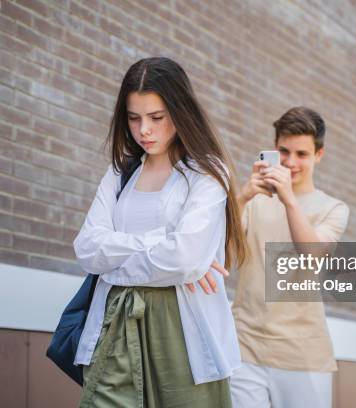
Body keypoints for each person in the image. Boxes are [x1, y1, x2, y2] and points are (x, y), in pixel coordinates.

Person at [72, 57, 247, 408]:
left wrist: (119, 260)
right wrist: (162, 244)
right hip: (115, 322)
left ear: (180, 112)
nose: (144, 130)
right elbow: (88, 249)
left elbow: (185, 258)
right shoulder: (120, 172)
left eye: (156, 117)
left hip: (182, 328)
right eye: (134, 118)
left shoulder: (207, 173)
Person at [230, 107, 349, 408]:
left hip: (302, 353)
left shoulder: (333, 208)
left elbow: (312, 255)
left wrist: (288, 199)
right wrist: (242, 198)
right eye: (284, 151)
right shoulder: (251, 200)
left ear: (318, 155)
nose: (291, 162)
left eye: (302, 154)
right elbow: (224, 259)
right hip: (244, 347)